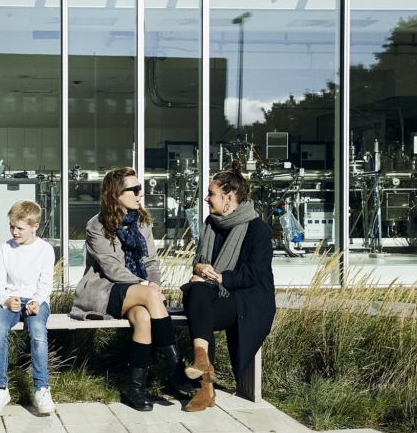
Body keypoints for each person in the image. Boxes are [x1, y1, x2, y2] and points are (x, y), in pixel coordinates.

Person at [70, 167, 187, 411]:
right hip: (103, 291)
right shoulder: (97, 225)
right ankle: (177, 369)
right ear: (116, 194)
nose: (139, 194)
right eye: (133, 189)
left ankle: (136, 391)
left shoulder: (142, 222)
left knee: (143, 318)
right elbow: (112, 269)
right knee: (150, 296)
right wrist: (146, 287)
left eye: (139, 188)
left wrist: (152, 283)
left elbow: (151, 263)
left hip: (138, 292)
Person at [181, 160, 275, 412]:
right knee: (197, 292)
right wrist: (201, 270)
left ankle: (204, 386)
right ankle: (203, 368)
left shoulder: (258, 230)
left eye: (211, 193)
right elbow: (199, 264)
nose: (206, 198)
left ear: (229, 197)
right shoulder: (211, 225)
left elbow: (253, 274)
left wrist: (218, 278)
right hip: (216, 295)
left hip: (249, 299)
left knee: (199, 302)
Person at [0, 200, 56, 418]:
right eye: (12, 227)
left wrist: (37, 301)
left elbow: (45, 284)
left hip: (35, 301)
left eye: (20, 228)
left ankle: (41, 388)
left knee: (38, 333)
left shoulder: (45, 249)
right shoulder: (5, 248)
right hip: (11, 299)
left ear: (34, 226)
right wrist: (5, 300)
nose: (15, 232)